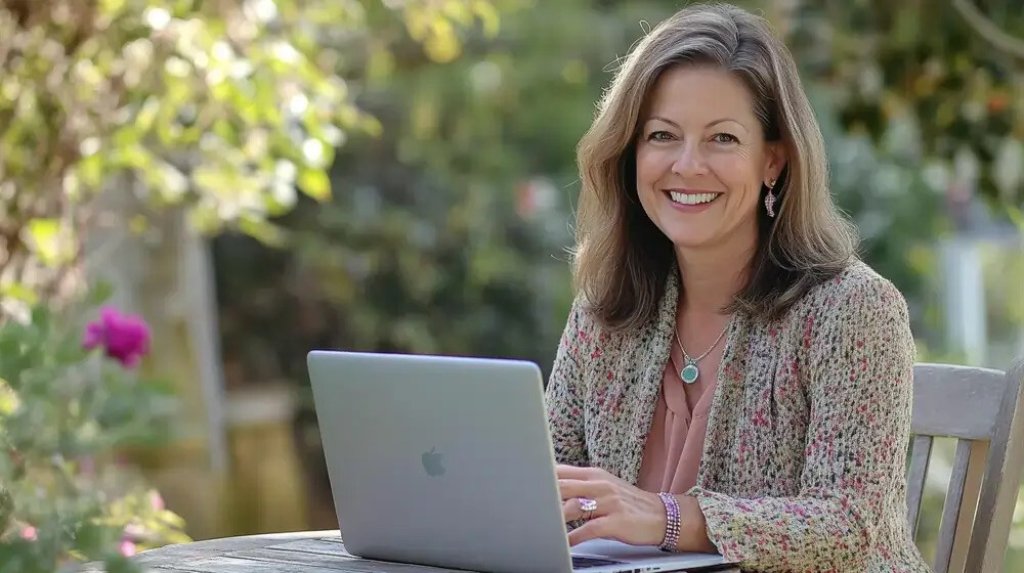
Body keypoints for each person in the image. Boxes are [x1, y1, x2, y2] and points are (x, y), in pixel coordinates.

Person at [544, 3, 932, 571]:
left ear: (773, 160)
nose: (687, 164)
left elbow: (851, 525)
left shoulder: (853, 311)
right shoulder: (605, 311)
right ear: (631, 153)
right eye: (662, 135)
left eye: (722, 139)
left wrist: (668, 517)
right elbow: (544, 484)